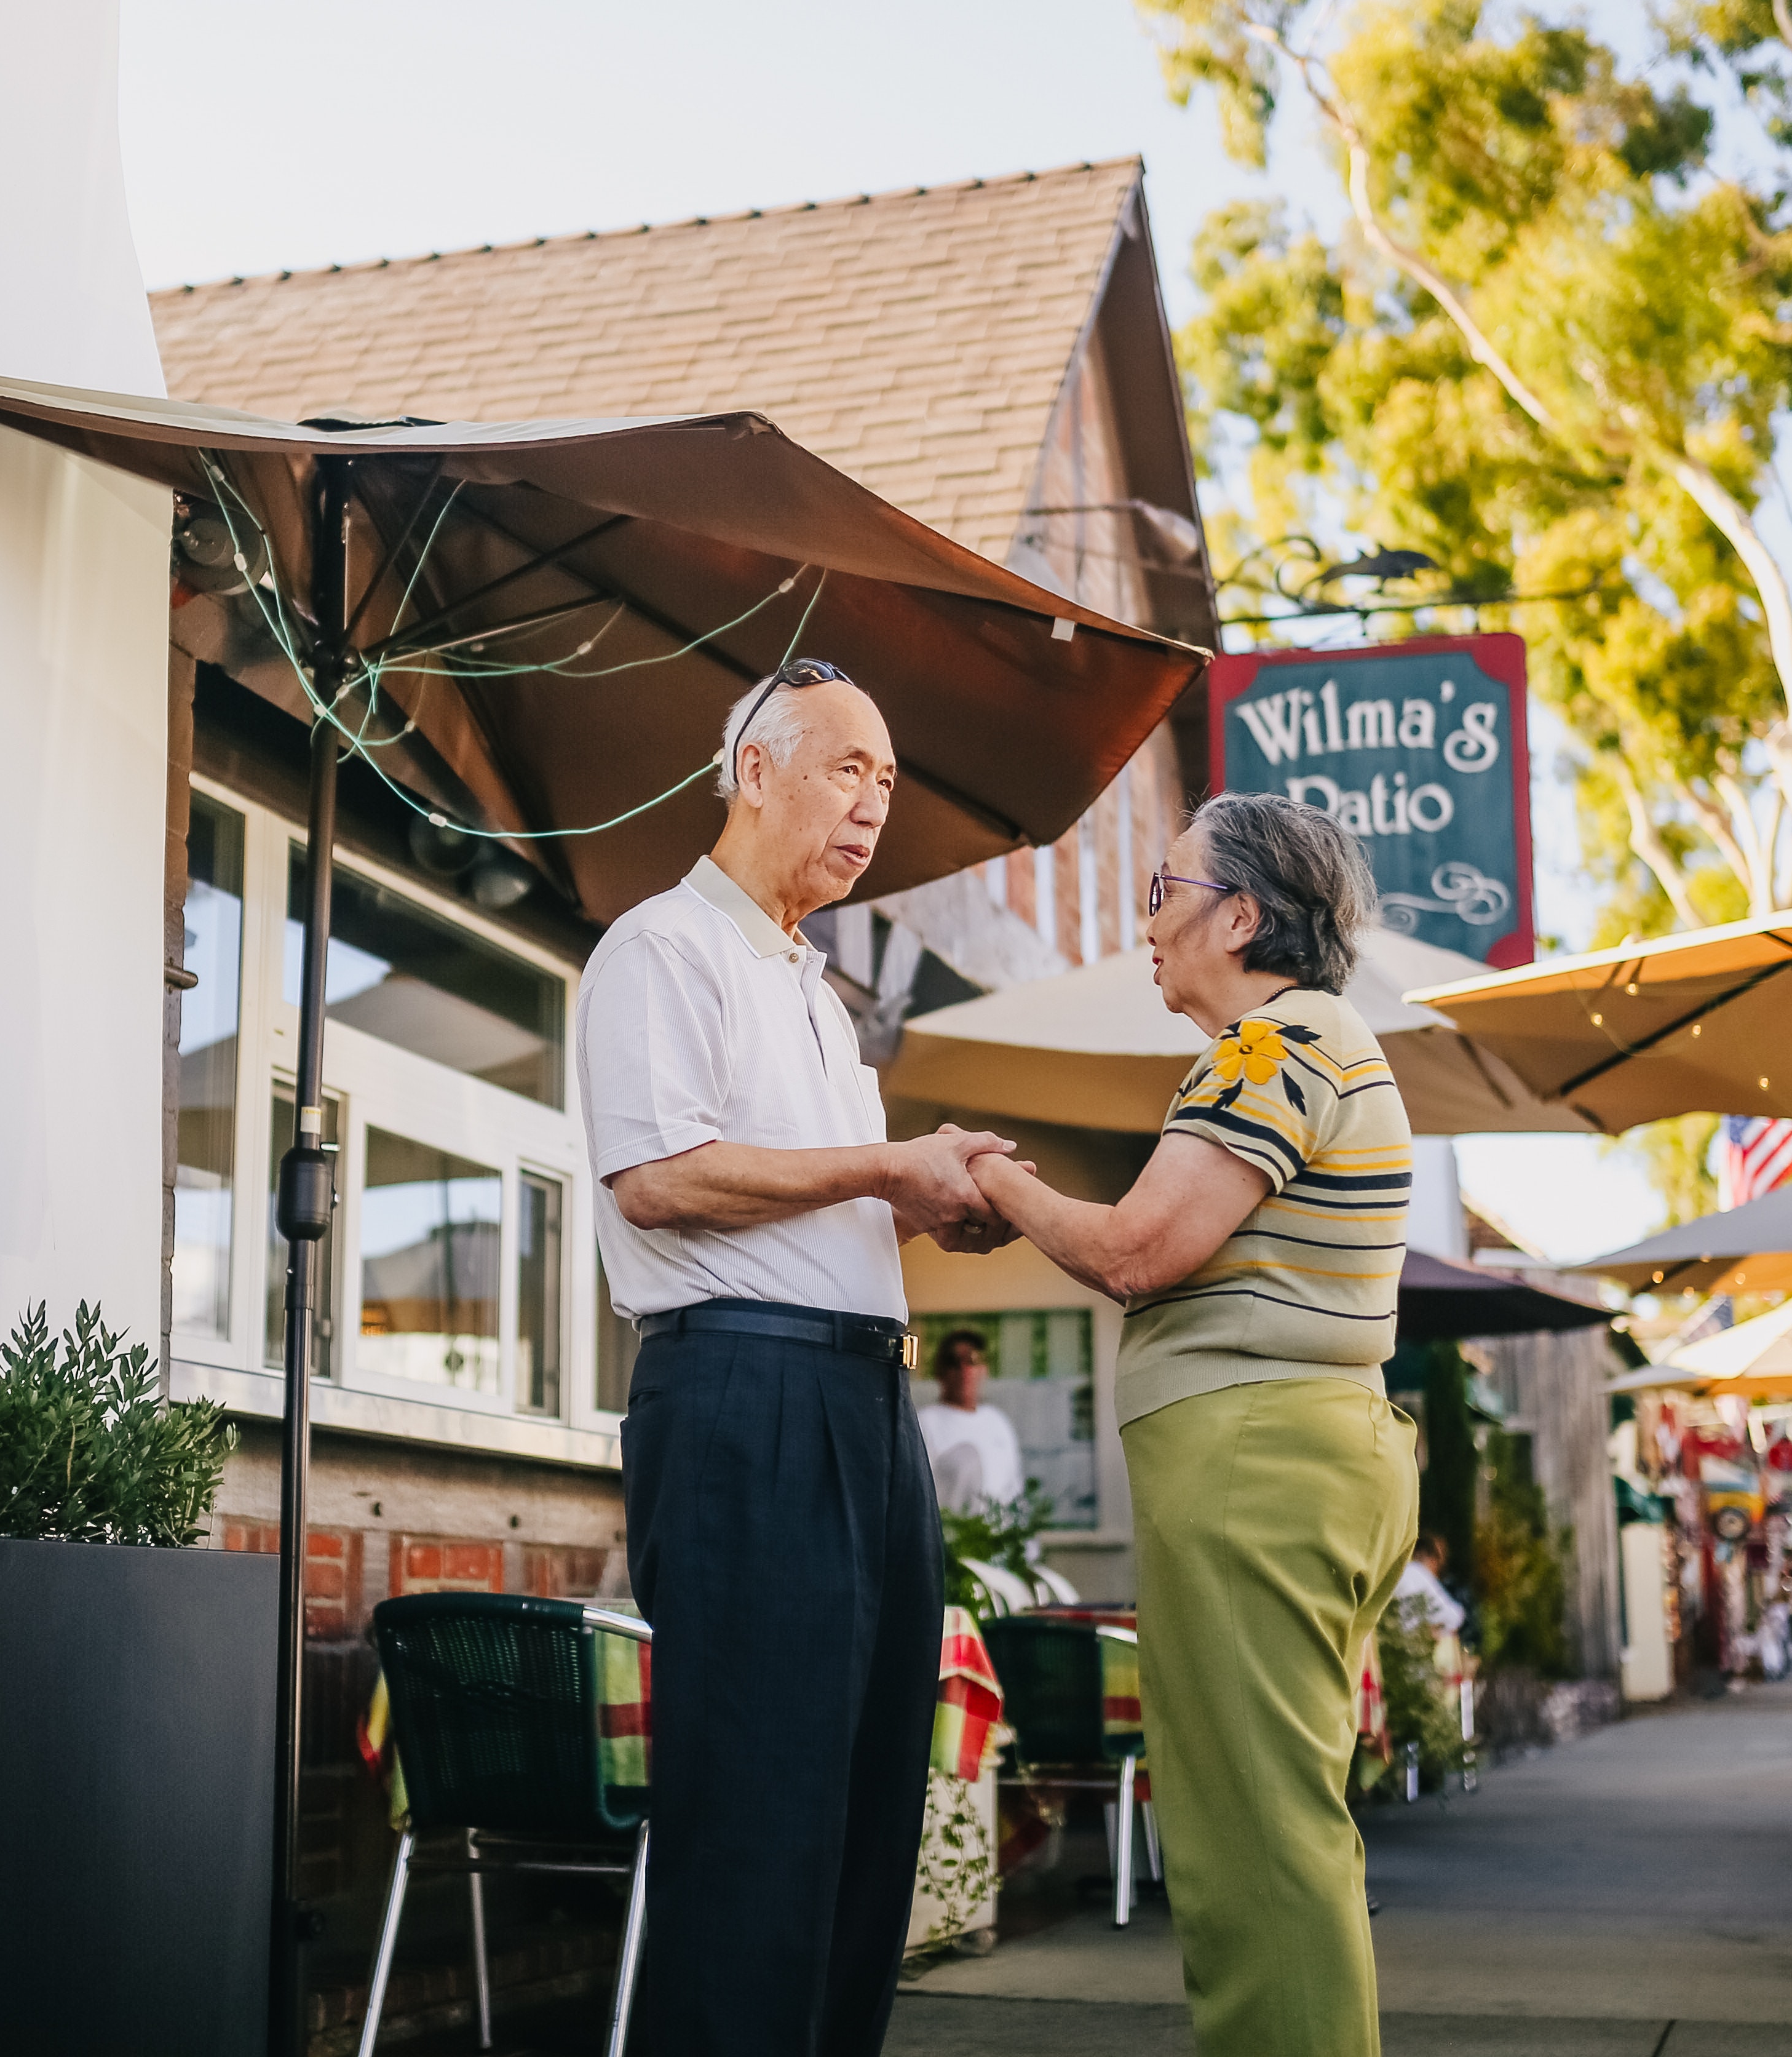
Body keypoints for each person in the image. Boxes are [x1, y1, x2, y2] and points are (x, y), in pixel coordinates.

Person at [575, 657, 1014, 2057]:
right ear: (751, 771)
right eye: (845, 767)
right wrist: (883, 1161)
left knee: (867, 1813)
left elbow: (822, 1205)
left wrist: (929, 1198)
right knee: (758, 1812)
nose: (873, 804)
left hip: (863, 1406)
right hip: (743, 1399)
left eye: (885, 780)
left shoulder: (819, 992)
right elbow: (654, 1176)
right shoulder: (660, 948)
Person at [964, 792, 1414, 2057]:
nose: (1144, 924)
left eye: (1162, 892)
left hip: (1258, 1467)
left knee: (1251, 1844)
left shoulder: (1275, 1048)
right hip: (1295, 1458)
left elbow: (1138, 1251)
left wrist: (993, 1176)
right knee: (1266, 1828)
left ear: (1244, 914)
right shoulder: (1308, 1045)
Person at [916, 1327, 1025, 1516]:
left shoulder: (997, 1422)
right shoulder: (925, 1423)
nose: (964, 1370)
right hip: (953, 1542)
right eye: (954, 1362)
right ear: (940, 1371)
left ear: (984, 1369)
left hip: (1001, 1543)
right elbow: (919, 1497)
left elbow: (1015, 1490)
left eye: (972, 1361)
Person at [1392, 1531, 1465, 1639]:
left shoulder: (1400, 1571)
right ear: (1426, 1555)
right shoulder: (1420, 1573)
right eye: (1439, 1558)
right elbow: (1454, 1616)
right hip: (1412, 1643)